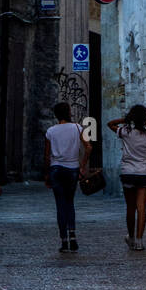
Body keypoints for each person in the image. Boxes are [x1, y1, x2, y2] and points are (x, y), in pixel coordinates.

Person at [107, 106, 146, 251]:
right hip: (144, 173)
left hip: (128, 172)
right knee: (141, 207)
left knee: (130, 207)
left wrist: (126, 120)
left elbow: (110, 124)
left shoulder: (125, 132)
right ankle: (140, 241)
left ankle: (131, 236)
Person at [44, 102, 91, 252]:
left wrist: (47, 174)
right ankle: (73, 235)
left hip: (56, 169)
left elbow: (46, 155)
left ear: (56, 114)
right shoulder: (78, 128)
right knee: (70, 202)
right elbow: (89, 147)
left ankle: (64, 241)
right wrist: (82, 165)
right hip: (72, 169)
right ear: (69, 112)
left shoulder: (50, 131)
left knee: (60, 204)